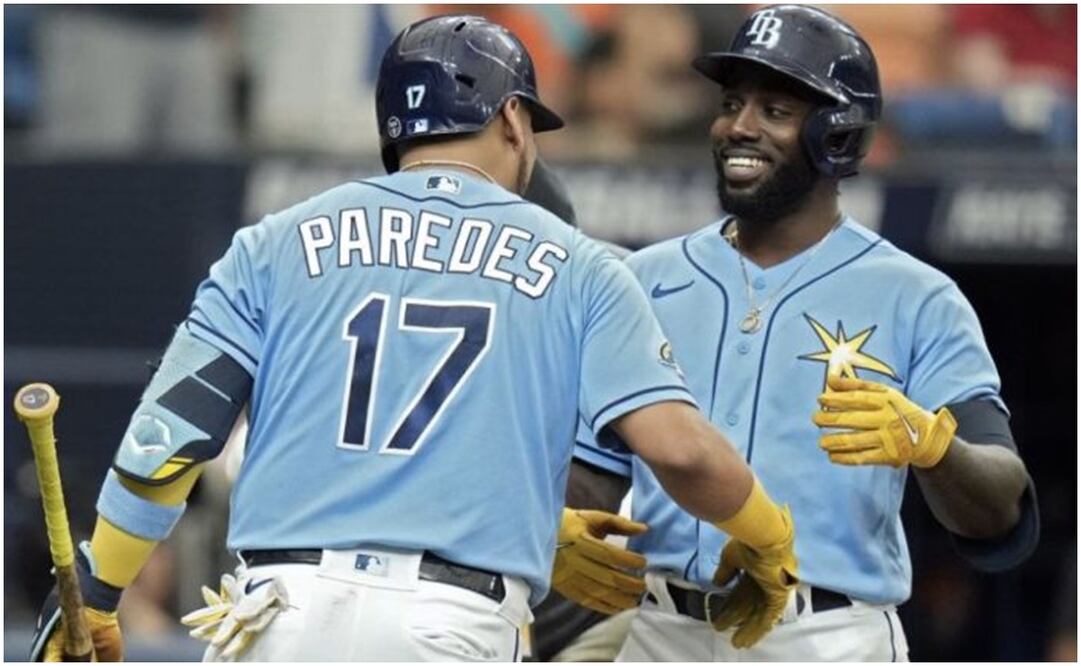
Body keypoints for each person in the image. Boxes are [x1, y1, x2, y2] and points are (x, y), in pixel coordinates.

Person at [28, 15, 800, 662]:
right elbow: (681, 451)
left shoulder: (274, 240)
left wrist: (100, 589)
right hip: (451, 622)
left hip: (278, 613)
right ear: (508, 119)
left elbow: (167, 441)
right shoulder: (580, 263)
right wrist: (766, 537)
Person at [567, 5, 1039, 662]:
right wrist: (546, 523)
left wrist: (934, 449)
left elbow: (997, 510)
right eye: (732, 103)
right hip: (658, 631)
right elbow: (593, 471)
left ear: (837, 134)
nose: (738, 126)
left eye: (774, 111)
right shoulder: (642, 278)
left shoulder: (917, 295)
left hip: (824, 635)